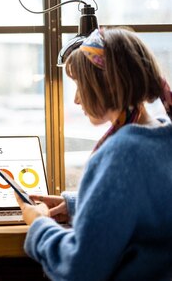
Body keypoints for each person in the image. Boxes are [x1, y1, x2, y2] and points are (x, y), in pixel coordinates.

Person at [15, 27, 172, 281]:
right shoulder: (163, 137)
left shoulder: (122, 154)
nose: (77, 99)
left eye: (81, 85)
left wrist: (39, 224)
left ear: (107, 85)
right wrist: (77, 205)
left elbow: (80, 268)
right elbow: (149, 207)